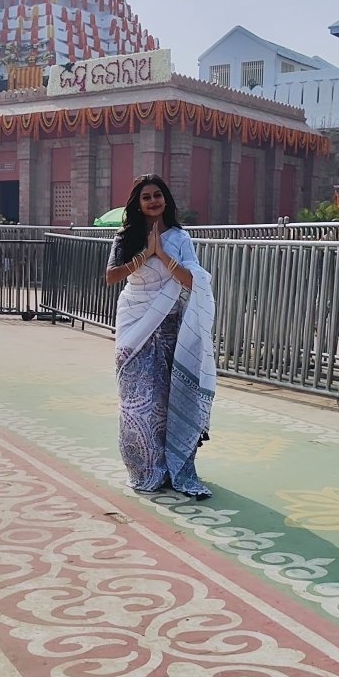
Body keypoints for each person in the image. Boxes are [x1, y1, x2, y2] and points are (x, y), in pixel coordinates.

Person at [106, 174, 216, 498]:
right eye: (146, 197)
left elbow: (193, 281)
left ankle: (173, 468)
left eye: (157, 195)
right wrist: (145, 254)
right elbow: (111, 276)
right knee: (137, 403)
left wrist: (163, 255)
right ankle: (144, 470)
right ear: (137, 204)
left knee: (167, 401)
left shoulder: (181, 238)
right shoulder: (125, 237)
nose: (153, 201)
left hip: (168, 326)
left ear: (165, 199)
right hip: (133, 322)